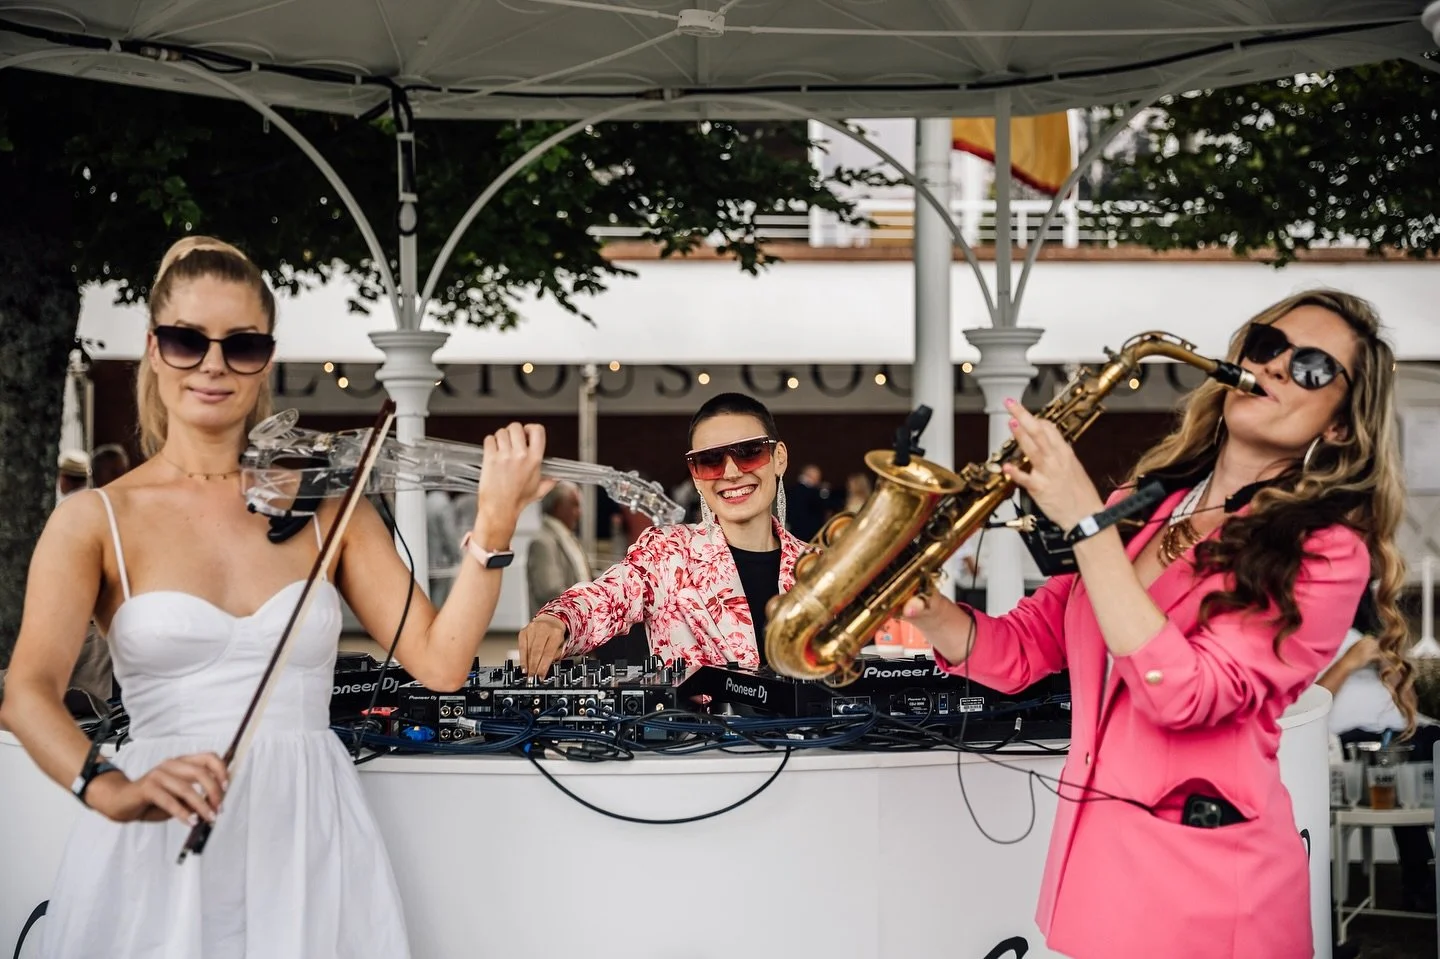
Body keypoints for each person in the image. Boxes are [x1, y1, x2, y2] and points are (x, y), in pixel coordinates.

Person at [0, 236, 550, 959]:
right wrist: (106, 787)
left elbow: (442, 662)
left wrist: (493, 528)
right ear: (154, 347)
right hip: (159, 832)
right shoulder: (96, 518)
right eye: (187, 340)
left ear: (267, 355)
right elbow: (28, 690)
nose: (213, 364)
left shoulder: (326, 507)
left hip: (309, 830)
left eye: (242, 345)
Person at [900, 289, 1410, 959]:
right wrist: (929, 611)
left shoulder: (1326, 550)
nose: (1280, 367)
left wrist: (1085, 521)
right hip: (1092, 882)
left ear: (1340, 424)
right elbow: (1024, 648)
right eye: (1267, 345)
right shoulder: (1143, 505)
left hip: (1212, 901)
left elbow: (1186, 695)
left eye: (1313, 367)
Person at [518, 392, 804, 677]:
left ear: (779, 458)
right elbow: (605, 598)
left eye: (749, 452)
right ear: (696, 476)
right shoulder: (667, 554)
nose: (730, 473)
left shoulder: (819, 565)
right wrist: (558, 620)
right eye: (710, 460)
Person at [1320, 588, 1437, 911]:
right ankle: (1419, 879)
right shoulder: (1307, 642)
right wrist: (1348, 663)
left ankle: (1420, 879)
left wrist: (1394, 669)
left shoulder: (1367, 636)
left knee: (1423, 750)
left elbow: (1409, 705)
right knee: (1400, 767)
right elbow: (1308, 703)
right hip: (1355, 741)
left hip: (1408, 733)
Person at [528, 481, 592, 614]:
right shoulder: (542, 542)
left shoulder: (568, 538)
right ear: (558, 506)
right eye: (574, 505)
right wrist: (588, 603)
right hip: (556, 628)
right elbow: (549, 591)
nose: (579, 513)